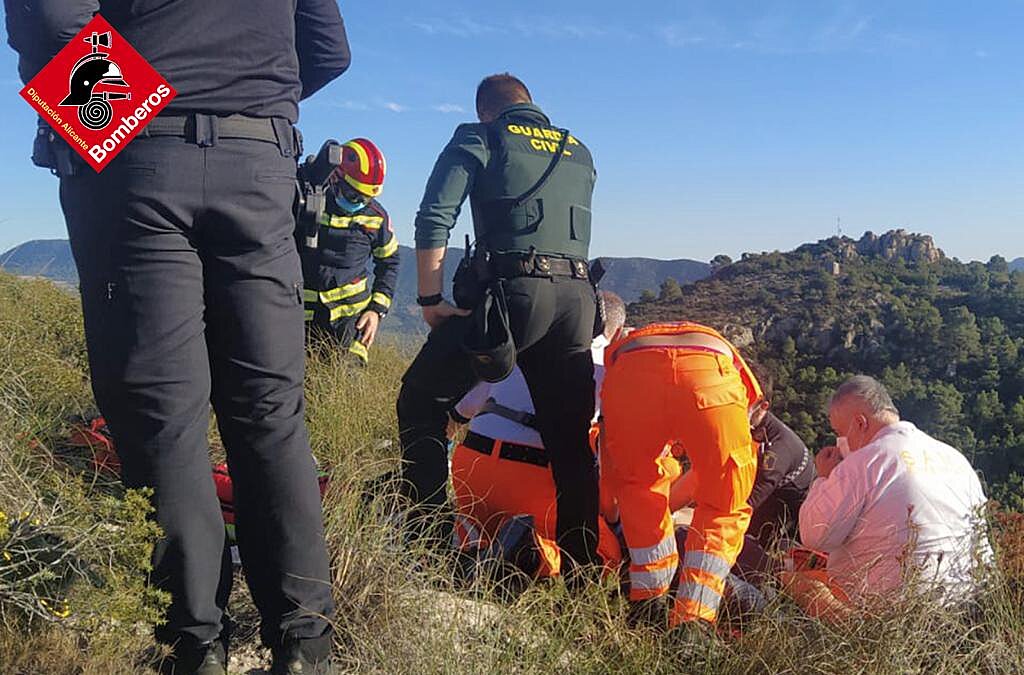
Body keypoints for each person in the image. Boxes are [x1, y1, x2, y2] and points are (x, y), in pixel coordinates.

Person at [6, 2, 350, 673]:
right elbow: (328, 47)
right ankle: (306, 645)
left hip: (141, 161)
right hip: (262, 161)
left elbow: (51, 19)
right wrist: (243, 98)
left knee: (165, 420)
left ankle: (195, 647)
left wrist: (136, 107)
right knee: (271, 413)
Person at [396, 73, 601, 579]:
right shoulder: (578, 149)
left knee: (419, 402)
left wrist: (429, 298)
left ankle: (433, 543)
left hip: (513, 296)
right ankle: (578, 573)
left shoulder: (480, 136)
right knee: (570, 444)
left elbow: (433, 217)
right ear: (531, 104)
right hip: (577, 299)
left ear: (486, 109)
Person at [449, 291, 627, 578]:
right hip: (532, 480)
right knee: (602, 553)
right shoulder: (608, 370)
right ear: (616, 333)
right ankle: (531, 556)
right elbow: (610, 458)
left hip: (471, 469)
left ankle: (463, 541)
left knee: (484, 527)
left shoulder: (522, 347)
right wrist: (612, 517)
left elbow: (462, 412)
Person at [787, 375, 993, 621]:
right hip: (965, 608)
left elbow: (815, 535)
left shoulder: (864, 461)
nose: (839, 443)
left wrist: (823, 479)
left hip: (885, 618)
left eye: (839, 433)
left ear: (861, 423)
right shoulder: (956, 458)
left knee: (788, 580)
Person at [600, 321, 763, 627]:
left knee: (638, 487)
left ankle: (647, 602)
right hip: (709, 374)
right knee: (724, 506)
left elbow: (612, 466)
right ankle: (694, 621)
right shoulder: (742, 382)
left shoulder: (627, 349)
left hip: (631, 370)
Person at [301, 138, 399, 364]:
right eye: (355, 195)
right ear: (335, 178)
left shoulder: (376, 218)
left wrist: (376, 311)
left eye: (367, 197)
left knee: (348, 382)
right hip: (302, 318)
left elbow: (390, 263)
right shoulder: (309, 203)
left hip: (351, 322)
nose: (360, 202)